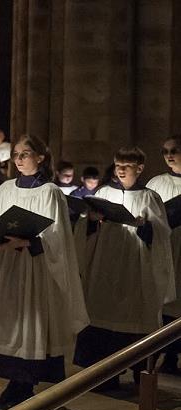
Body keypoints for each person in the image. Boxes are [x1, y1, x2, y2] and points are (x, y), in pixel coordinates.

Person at [0, 134, 88, 407]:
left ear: (40, 157)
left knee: (30, 326)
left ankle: (23, 384)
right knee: (10, 324)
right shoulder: (5, 189)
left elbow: (58, 236)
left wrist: (27, 241)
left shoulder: (50, 192)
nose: (19, 160)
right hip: (8, 267)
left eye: (25, 154)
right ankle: (14, 381)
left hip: (34, 270)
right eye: (16, 155)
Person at [74, 147, 175, 389]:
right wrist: (90, 221)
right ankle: (104, 376)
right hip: (105, 265)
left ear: (139, 169)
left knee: (134, 316)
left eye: (126, 165)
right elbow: (86, 231)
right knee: (101, 312)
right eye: (118, 163)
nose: (120, 169)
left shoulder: (149, 197)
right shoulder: (103, 192)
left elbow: (161, 236)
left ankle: (138, 370)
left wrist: (145, 227)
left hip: (134, 268)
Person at [147, 135, 181, 374]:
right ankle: (166, 354)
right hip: (166, 248)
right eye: (165, 151)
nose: (169, 155)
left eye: (175, 150)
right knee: (167, 302)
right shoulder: (156, 183)